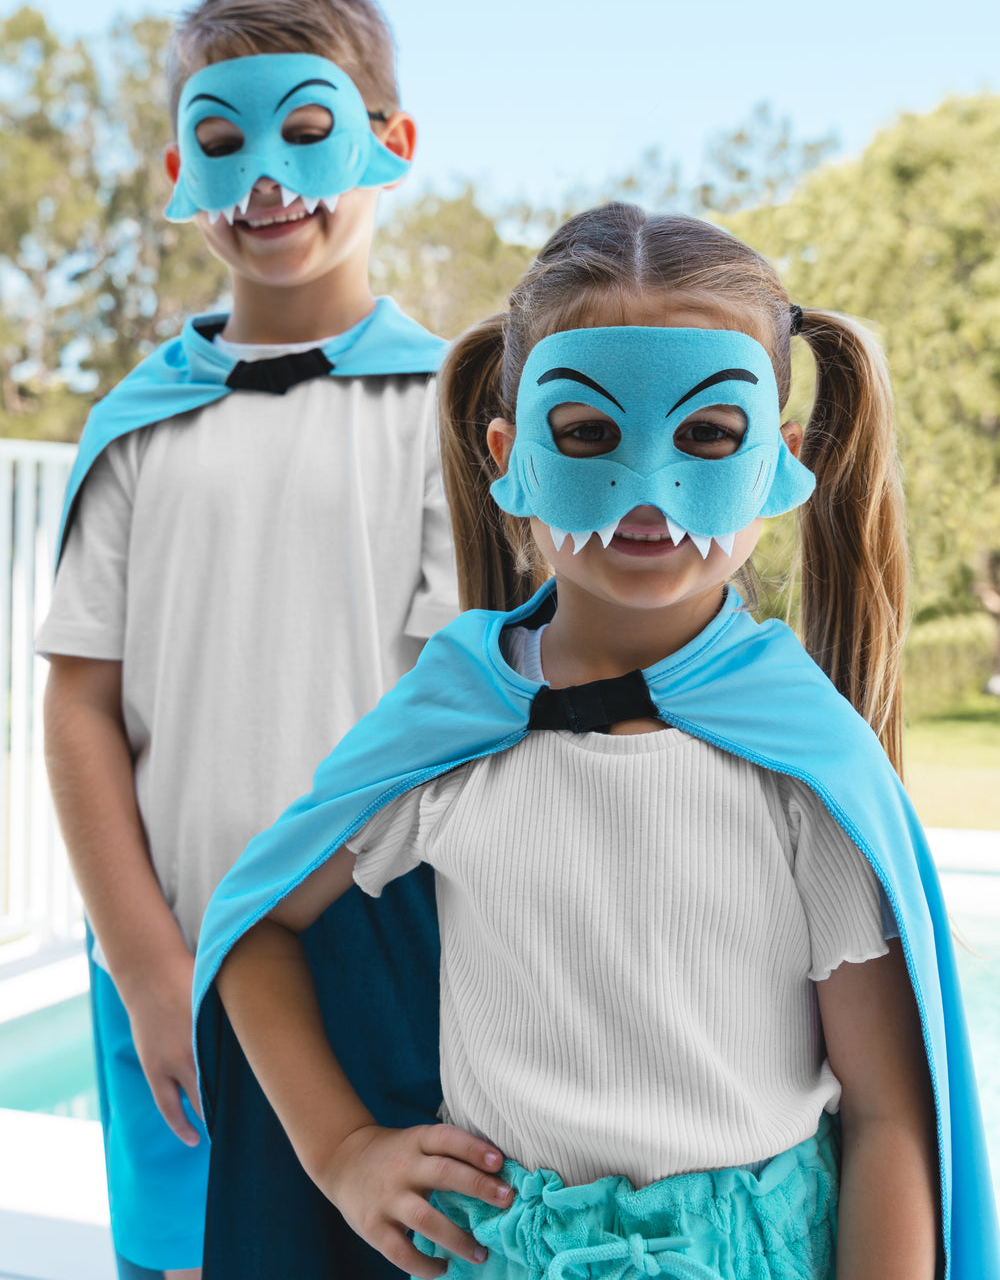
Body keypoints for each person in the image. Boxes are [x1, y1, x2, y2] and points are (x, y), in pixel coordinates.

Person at [194, 205, 999, 1280]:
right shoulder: (456, 719)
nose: (649, 492)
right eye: (587, 434)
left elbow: (891, 1114)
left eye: (708, 434)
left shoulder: (802, 761)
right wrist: (341, 1150)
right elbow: (253, 925)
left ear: (778, 462)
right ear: (510, 455)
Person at [38, 0, 457, 1280]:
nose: (266, 180)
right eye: (224, 143)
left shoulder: (453, 420)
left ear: (392, 143)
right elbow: (77, 706)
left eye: (306, 129)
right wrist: (154, 966)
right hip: (171, 955)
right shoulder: (135, 428)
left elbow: (452, 714)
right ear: (180, 168)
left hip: (391, 959)